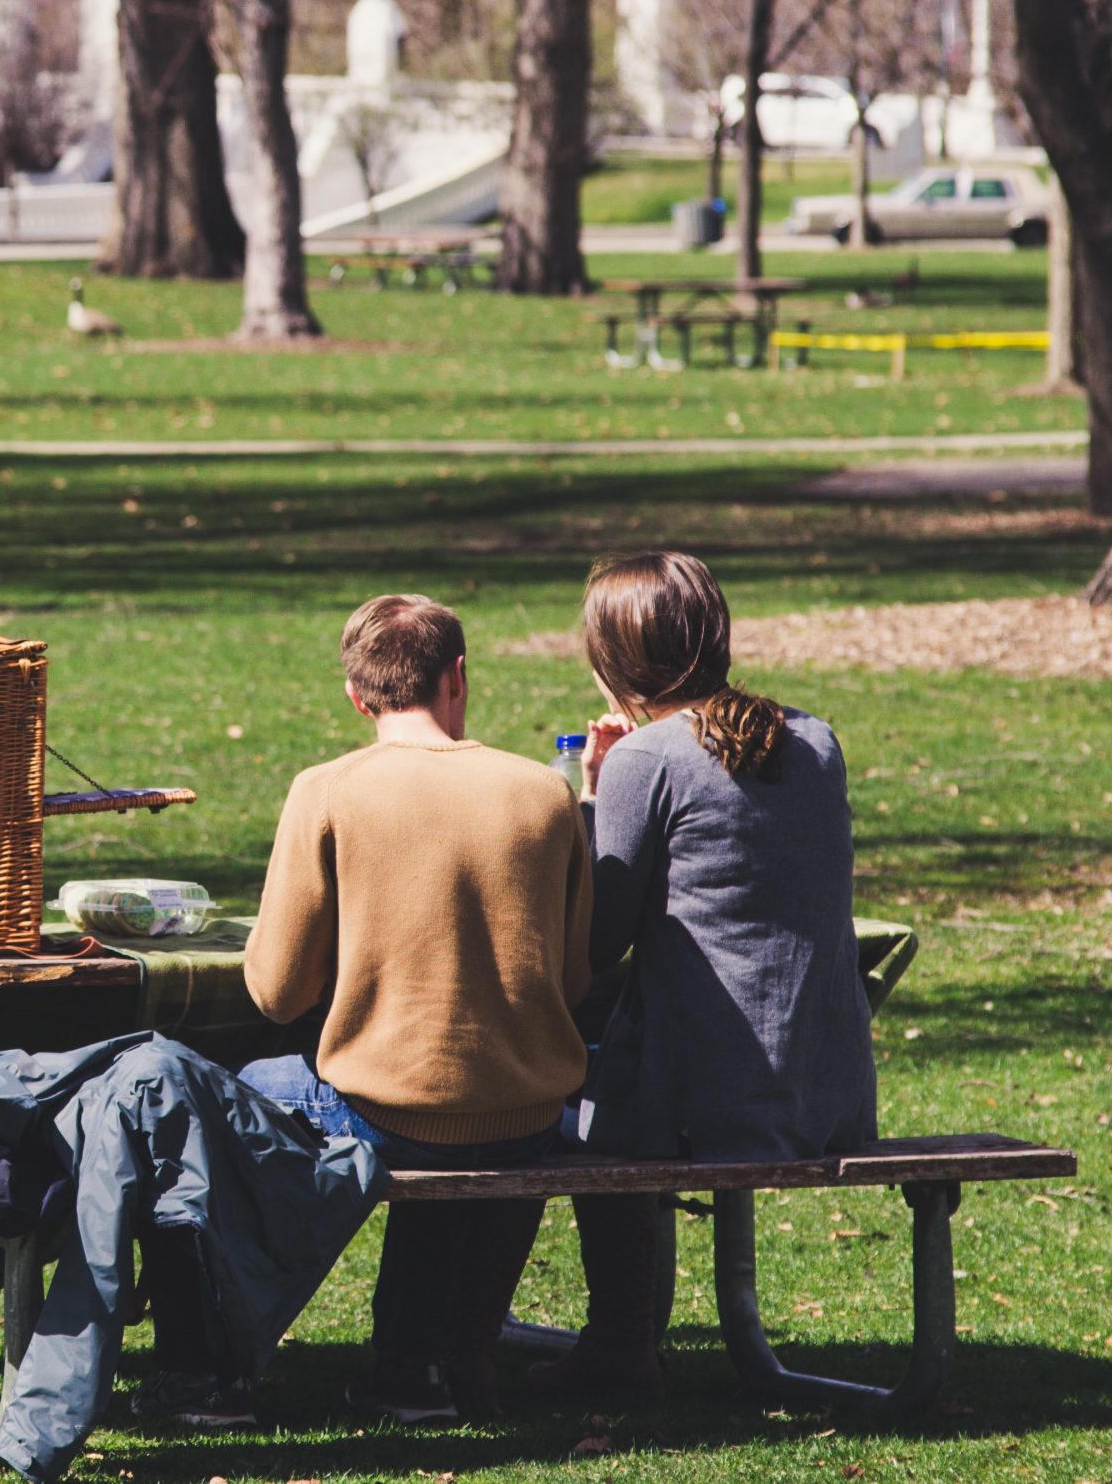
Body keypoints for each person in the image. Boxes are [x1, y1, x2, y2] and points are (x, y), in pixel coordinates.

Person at [234, 592, 593, 1424]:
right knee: (441, 1101)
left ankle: (206, 1359)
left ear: (357, 698)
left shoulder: (326, 790)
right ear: (458, 676)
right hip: (528, 1110)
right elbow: (571, 980)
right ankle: (411, 1366)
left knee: (243, 1085)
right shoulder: (545, 793)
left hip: (386, 1109)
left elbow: (275, 990)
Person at [531, 551, 878, 1396]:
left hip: (706, 1100)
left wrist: (593, 794)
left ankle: (616, 1338)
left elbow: (597, 943)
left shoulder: (649, 758)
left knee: (555, 1102)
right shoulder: (816, 739)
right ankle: (627, 1335)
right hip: (827, 1089)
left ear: (612, 660)